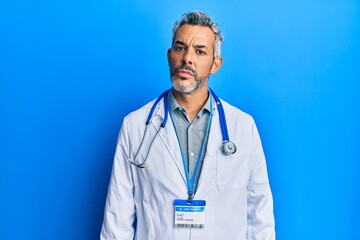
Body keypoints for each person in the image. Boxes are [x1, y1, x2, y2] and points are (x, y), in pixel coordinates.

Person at [101, 11, 275, 240]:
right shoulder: (135, 126)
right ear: (169, 55)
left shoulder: (243, 127)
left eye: (200, 51)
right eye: (180, 48)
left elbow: (259, 215)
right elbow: (117, 219)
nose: (187, 59)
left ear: (215, 64)